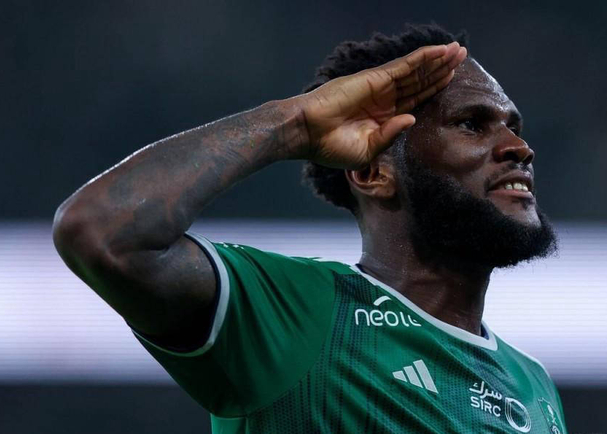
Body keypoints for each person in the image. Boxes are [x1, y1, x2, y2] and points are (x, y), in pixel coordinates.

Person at [52, 23, 566, 433]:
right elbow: (101, 231)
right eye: (472, 124)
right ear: (373, 173)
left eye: (514, 128)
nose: (519, 149)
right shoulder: (301, 312)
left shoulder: (532, 384)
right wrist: (294, 124)